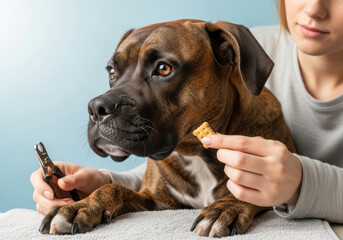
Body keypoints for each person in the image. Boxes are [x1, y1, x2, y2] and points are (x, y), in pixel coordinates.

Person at [30, 0, 343, 223]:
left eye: (163, 68)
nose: (314, 8)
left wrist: (301, 184)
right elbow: (163, 183)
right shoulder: (257, 43)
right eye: (115, 71)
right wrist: (104, 182)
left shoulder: (241, 53)